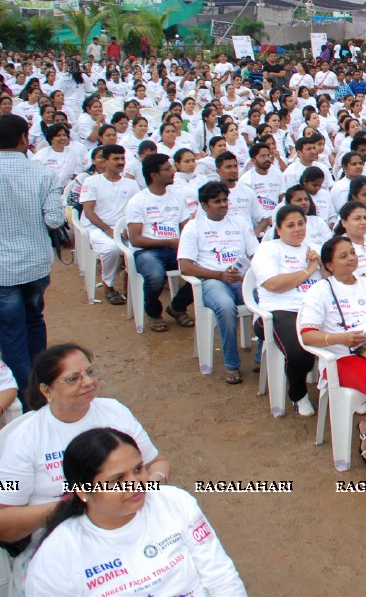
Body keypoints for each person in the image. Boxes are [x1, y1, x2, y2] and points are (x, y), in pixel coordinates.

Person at [26, 427, 245, 596]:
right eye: (118, 479)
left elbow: (221, 578)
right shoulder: (57, 557)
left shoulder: (175, 502)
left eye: (138, 469)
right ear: (83, 491)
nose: (137, 484)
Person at [0, 344, 170, 557]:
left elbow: (157, 463)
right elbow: (4, 520)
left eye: (89, 372)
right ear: (46, 390)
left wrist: (150, 486)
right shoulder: (25, 438)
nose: (88, 382)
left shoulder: (115, 412)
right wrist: (73, 506)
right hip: (62, 546)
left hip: (132, 526)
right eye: (73, 379)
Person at [298, 236, 366, 465]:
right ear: (329, 265)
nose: (351, 259)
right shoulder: (321, 290)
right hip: (340, 357)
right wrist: (341, 338)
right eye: (343, 256)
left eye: (353, 253)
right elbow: (307, 335)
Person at [0, 114, 65, 402]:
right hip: (35, 263)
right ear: (24, 139)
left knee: (11, 329)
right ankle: (40, 383)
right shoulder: (43, 174)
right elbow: (54, 220)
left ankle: (27, 394)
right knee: (34, 318)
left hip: (2, 269)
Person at [178, 182, 260, 384]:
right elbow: (185, 267)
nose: (223, 205)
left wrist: (246, 274)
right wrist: (219, 275)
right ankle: (232, 364)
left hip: (240, 279)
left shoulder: (239, 222)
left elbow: (255, 254)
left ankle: (262, 357)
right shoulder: (193, 227)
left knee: (265, 299)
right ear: (204, 205)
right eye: (217, 201)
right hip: (212, 281)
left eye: (225, 200)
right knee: (225, 307)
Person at [250, 205, 323, 416]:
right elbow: (273, 284)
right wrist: (309, 269)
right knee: (300, 350)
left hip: (315, 310)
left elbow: (332, 281)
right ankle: (298, 393)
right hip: (279, 313)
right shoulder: (268, 249)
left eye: (301, 223)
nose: (297, 229)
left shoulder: (313, 248)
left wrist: (322, 264)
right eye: (290, 225)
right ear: (279, 229)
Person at [124, 153, 195, 333]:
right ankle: (154, 312)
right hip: (147, 251)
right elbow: (135, 239)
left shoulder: (177, 197)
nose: (173, 172)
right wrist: (168, 241)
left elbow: (185, 229)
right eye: (167, 169)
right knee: (155, 276)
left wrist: (184, 243)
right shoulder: (138, 201)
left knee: (205, 269)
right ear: (154, 175)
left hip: (174, 248)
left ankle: (177, 306)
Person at [80, 144, 141, 306]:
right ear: (105, 161)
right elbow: (89, 211)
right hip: (99, 228)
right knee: (111, 249)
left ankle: (130, 286)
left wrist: (129, 228)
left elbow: (136, 210)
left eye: (122, 158)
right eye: (116, 159)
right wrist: (108, 230)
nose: (120, 162)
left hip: (124, 229)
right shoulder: (92, 181)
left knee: (138, 249)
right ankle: (108, 286)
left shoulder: (131, 184)